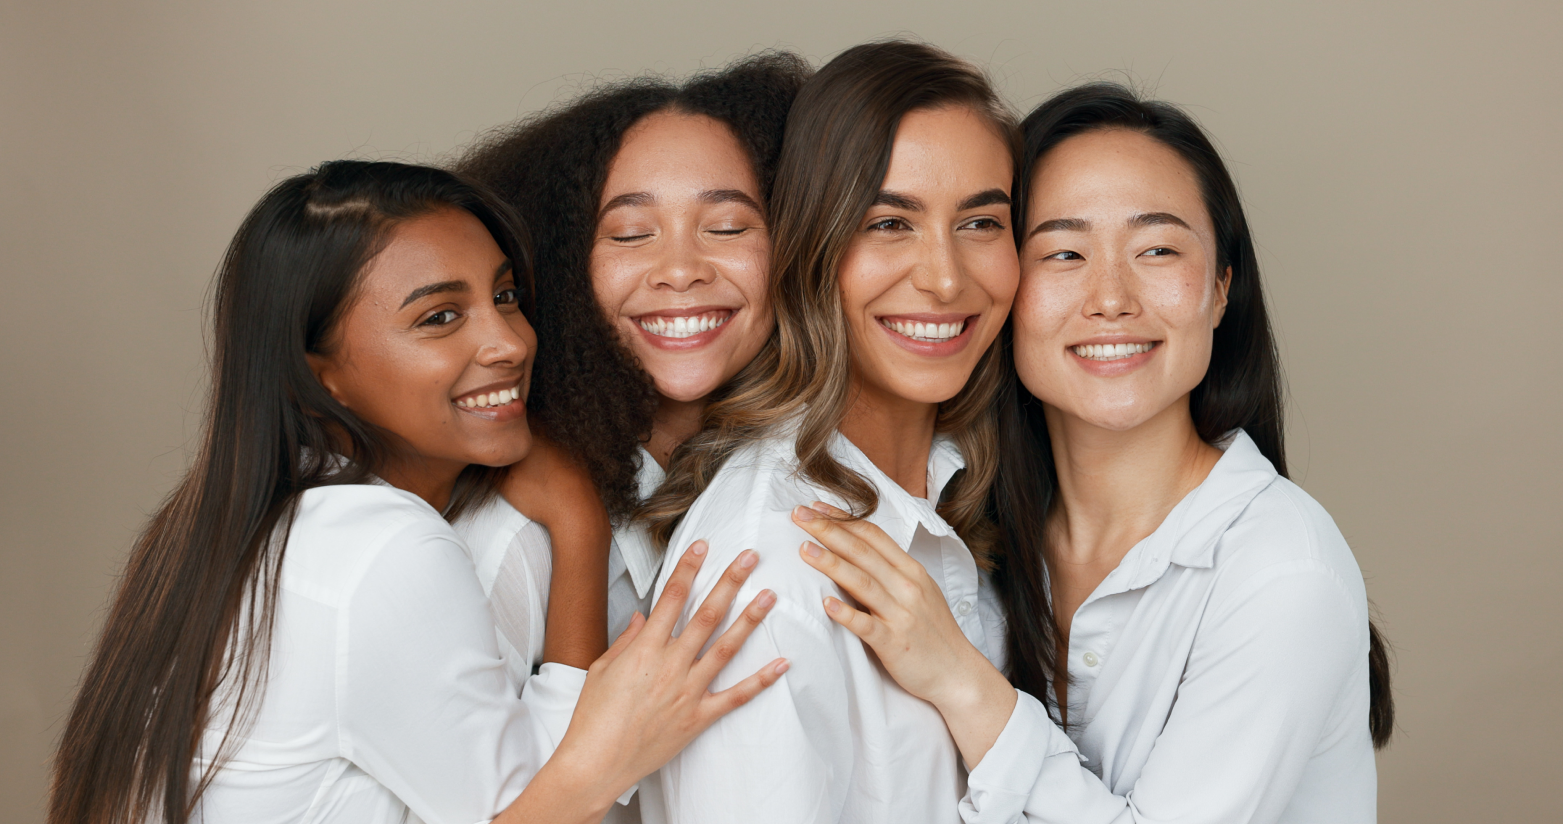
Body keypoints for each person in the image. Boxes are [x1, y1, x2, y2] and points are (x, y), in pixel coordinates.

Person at [47, 160, 785, 824]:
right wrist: (580, 527)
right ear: (317, 375)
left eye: (505, 296)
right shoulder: (376, 544)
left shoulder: (255, 528)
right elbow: (540, 804)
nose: (510, 342)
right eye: (439, 317)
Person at [788, 83, 1395, 823]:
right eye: (1063, 252)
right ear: (1006, 283)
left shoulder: (1280, 569)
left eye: (1157, 249)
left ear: (1220, 288)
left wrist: (961, 681)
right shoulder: (969, 528)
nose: (1110, 298)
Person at [636, 40, 1021, 823]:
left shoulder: (956, 487)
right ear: (812, 244)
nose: (945, 277)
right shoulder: (771, 566)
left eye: (980, 221)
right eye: (888, 222)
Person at [453, 55, 812, 682]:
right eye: (630, 234)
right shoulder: (511, 544)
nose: (681, 269)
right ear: (563, 269)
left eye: (728, 227)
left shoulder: (817, 483)